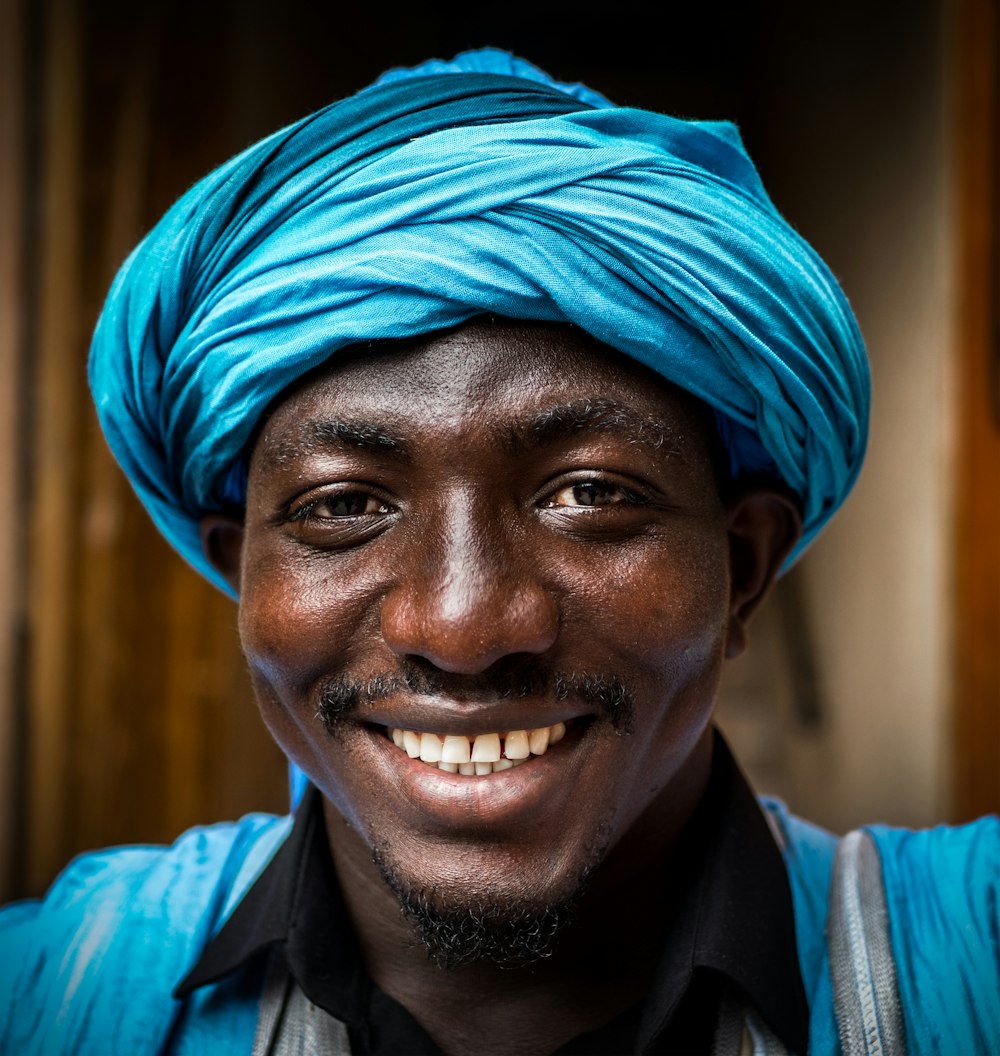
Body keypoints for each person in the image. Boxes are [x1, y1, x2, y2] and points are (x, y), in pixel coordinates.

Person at [1, 49, 997, 1056]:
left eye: (589, 495)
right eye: (343, 504)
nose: (463, 627)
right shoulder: (49, 995)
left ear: (742, 566)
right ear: (239, 569)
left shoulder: (972, 964)